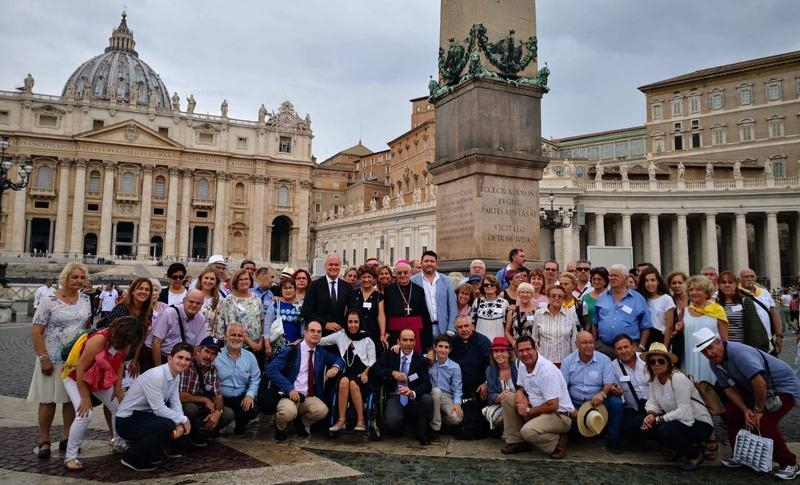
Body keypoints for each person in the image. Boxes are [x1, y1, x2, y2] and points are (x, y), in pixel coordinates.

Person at [694, 327, 800, 479]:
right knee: (732, 412)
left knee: (763, 423)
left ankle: (790, 464)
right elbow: (728, 390)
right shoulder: (714, 363)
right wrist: (744, 410)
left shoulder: (739, 354)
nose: (709, 354)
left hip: (783, 389)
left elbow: (760, 384)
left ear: (719, 342)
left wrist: (757, 411)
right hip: (756, 389)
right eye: (704, 352)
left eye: (710, 348)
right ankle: (740, 455)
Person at [61, 316, 143, 471]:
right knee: (84, 414)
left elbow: (119, 365)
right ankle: (70, 457)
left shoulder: (126, 342)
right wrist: (85, 397)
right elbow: (80, 369)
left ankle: (118, 443)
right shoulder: (99, 340)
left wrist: (118, 388)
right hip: (74, 377)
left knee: (119, 407)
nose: (128, 346)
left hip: (99, 377)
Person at [28, 263, 90, 459]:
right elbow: (37, 331)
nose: (78, 281)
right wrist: (43, 357)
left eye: (81, 277)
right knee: (47, 401)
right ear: (65, 278)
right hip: (51, 357)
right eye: (75, 277)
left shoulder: (86, 299)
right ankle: (44, 439)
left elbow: (86, 327)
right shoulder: (49, 300)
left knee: (70, 401)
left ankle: (66, 437)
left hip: (74, 360)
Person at [115, 343, 194, 472]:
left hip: (142, 415)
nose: (183, 362)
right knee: (166, 425)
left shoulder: (176, 375)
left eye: (187, 359)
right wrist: (183, 420)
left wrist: (181, 420)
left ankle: (146, 453)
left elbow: (175, 402)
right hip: (126, 421)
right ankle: (131, 456)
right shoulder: (157, 375)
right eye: (180, 357)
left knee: (172, 421)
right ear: (170, 358)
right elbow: (159, 409)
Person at [640, 341, 713, 471]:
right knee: (647, 426)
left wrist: (659, 419)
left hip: (698, 422)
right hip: (678, 420)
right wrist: (651, 415)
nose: (656, 364)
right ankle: (680, 448)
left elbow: (684, 412)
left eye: (661, 361)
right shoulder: (654, 380)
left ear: (669, 362)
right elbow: (653, 401)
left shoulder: (678, 378)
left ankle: (695, 454)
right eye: (652, 362)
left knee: (665, 431)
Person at [265, 321, 344, 441]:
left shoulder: (320, 352)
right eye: (312, 331)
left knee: (322, 411)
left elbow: (339, 360)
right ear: (305, 333)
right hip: (289, 395)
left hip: (307, 397)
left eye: (319, 332)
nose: (316, 334)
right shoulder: (292, 350)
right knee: (287, 413)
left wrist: (335, 367)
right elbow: (271, 370)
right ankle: (280, 427)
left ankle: (300, 423)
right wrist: (289, 388)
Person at [500, 336, 574, 458]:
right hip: (538, 410)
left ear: (536, 349)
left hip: (559, 415)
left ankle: (557, 442)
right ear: (516, 352)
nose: (525, 354)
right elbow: (521, 386)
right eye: (521, 351)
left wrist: (528, 411)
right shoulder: (523, 365)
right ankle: (516, 441)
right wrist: (519, 394)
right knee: (507, 398)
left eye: (528, 349)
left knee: (527, 432)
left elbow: (553, 405)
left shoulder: (547, 371)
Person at [560, 331, 624, 454]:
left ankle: (613, 438)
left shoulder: (604, 360)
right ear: (576, 344)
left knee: (616, 403)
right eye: (584, 343)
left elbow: (608, 383)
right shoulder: (568, 361)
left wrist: (603, 394)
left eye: (591, 342)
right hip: (575, 402)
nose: (589, 346)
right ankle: (565, 437)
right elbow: (562, 387)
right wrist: (570, 407)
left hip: (598, 401)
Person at [370, 328, 434, 445]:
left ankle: (420, 429)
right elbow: (375, 369)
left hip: (413, 397)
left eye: (411, 340)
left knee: (427, 399)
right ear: (398, 341)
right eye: (404, 340)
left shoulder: (421, 360)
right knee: (393, 422)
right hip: (395, 395)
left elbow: (427, 384)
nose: (408, 343)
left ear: (415, 342)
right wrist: (392, 373)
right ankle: (400, 427)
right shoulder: (391, 355)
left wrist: (412, 392)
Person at [322, 311, 377, 433]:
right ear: (346, 323)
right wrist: (303, 340)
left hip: (363, 375)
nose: (353, 325)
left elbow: (372, 361)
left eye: (356, 322)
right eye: (350, 322)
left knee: (353, 383)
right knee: (343, 381)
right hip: (346, 372)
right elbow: (321, 341)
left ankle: (360, 421)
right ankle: (341, 421)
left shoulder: (367, 339)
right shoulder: (340, 335)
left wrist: (366, 373)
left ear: (360, 322)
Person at [178, 336, 234, 445]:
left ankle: (202, 432)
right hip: (185, 407)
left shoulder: (213, 370)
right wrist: (204, 399)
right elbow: (181, 396)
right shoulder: (188, 366)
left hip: (204, 409)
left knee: (228, 413)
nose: (209, 356)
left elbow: (219, 397)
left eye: (213, 354)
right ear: (198, 351)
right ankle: (190, 434)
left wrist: (218, 412)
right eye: (207, 351)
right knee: (190, 408)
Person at [593, 264, 652, 358]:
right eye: (610, 275)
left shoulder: (638, 299)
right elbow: (595, 322)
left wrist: (641, 347)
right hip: (604, 348)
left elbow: (646, 326)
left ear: (626, 278)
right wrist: (595, 343)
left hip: (628, 349)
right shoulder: (601, 298)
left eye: (615, 275)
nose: (612, 278)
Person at [216, 269, 269, 367]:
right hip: (240, 346)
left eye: (246, 279)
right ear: (236, 281)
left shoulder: (256, 298)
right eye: (241, 279)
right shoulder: (229, 300)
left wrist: (261, 340)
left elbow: (262, 319)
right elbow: (231, 325)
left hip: (258, 346)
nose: (244, 282)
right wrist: (251, 343)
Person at [216, 323, 261, 437]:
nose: (236, 338)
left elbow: (255, 379)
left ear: (243, 338)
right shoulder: (217, 355)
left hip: (241, 397)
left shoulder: (250, 357)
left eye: (240, 336)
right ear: (226, 336)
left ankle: (241, 426)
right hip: (221, 397)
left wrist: (250, 395)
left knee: (252, 409)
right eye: (233, 335)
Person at [681, 275, 727, 383]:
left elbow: (725, 339)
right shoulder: (684, 312)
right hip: (690, 357)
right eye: (691, 290)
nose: (694, 292)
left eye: (698, 289)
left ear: (707, 293)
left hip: (711, 357)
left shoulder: (717, 310)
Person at [148, 289, 207, 367]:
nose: (194, 305)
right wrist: (159, 368)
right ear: (184, 301)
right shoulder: (169, 314)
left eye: (198, 303)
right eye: (191, 302)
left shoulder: (201, 319)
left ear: (202, 305)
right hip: (161, 356)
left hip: (183, 360)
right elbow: (156, 343)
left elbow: (197, 347)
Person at [611, 334, 651, 445]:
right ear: (615, 351)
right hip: (633, 408)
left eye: (626, 347)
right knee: (629, 430)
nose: (623, 351)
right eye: (619, 348)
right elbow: (614, 387)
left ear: (633, 346)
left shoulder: (646, 359)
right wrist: (615, 391)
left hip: (654, 406)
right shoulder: (613, 367)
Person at [383, 261, 432, 351]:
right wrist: (386, 331)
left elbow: (425, 314)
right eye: (399, 273)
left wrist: (427, 336)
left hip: (416, 330)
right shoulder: (388, 291)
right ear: (395, 274)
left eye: (405, 272)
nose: (402, 275)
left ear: (410, 273)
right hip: (395, 331)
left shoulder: (419, 290)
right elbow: (385, 313)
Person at [717, 271, 769, 351]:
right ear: (719, 285)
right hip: (722, 348)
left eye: (730, 282)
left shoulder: (745, 301)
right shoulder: (715, 303)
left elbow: (754, 325)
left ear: (736, 284)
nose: (727, 285)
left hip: (743, 347)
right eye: (723, 282)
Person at [411, 250, 458, 338]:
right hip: (421, 328)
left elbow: (452, 307)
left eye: (432, 261)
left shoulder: (446, 280)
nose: (429, 263)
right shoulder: (413, 281)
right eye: (426, 261)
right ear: (421, 263)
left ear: (436, 264)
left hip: (444, 329)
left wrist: (451, 329)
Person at [302, 253, 352, 335]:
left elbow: (350, 311)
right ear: (325, 266)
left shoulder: (347, 287)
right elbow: (306, 312)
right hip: (319, 335)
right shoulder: (315, 286)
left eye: (336, 265)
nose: (333, 267)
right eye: (330, 264)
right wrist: (325, 324)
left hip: (340, 335)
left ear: (340, 266)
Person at [739, 267, 783, 355]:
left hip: (768, 339)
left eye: (752, 276)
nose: (750, 279)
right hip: (747, 341)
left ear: (756, 278)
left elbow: (774, 314)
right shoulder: (736, 294)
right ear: (739, 279)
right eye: (746, 277)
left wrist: (779, 335)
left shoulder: (764, 292)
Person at [531, 285, 577, 367]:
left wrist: (574, 360)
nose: (556, 298)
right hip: (544, 362)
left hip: (565, 362)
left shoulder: (570, 314)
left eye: (560, 296)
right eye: (553, 296)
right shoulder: (539, 313)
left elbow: (573, 340)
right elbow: (534, 339)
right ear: (548, 297)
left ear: (563, 298)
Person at [428, 334, 464, 439]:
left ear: (450, 349)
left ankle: (437, 417)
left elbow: (457, 387)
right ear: (434, 347)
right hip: (430, 394)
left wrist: (457, 403)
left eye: (446, 347)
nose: (443, 350)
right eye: (440, 346)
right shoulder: (427, 360)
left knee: (456, 419)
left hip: (446, 396)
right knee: (436, 392)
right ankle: (435, 429)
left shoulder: (455, 367)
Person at [346, 264, 387, 354]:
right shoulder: (352, 294)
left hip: (372, 333)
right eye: (363, 277)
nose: (366, 280)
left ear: (374, 279)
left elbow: (381, 315)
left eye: (369, 277)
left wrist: (382, 333)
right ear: (359, 279)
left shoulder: (378, 296)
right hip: (354, 332)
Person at [483, 337, 518, 432]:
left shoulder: (517, 366)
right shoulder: (489, 370)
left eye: (502, 351)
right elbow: (491, 394)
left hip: (518, 401)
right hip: (501, 404)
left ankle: (511, 433)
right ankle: (510, 431)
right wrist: (498, 397)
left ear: (508, 353)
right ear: (492, 355)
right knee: (490, 413)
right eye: (496, 352)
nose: (499, 354)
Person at [636, 267, 676, 344]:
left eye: (653, 280)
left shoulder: (666, 299)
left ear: (658, 282)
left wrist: (665, 347)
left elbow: (669, 327)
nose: (650, 283)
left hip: (660, 337)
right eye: (646, 281)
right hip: (644, 338)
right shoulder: (641, 299)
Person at [265, 278, 304, 355]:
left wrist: (302, 340)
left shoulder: (301, 305)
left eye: (290, 287)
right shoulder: (274, 304)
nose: (288, 290)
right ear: (281, 290)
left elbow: (306, 325)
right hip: (276, 348)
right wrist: (267, 345)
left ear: (295, 289)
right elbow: (267, 325)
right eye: (285, 288)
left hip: (297, 345)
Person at [472, 275, 509, 341]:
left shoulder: (504, 303)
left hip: (498, 342)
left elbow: (507, 326)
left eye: (492, 284)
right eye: (486, 285)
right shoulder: (477, 301)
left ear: (496, 287)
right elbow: (472, 323)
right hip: (480, 342)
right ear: (482, 287)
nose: (489, 286)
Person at [665, 270, 689, 361]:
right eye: (674, 283)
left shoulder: (692, 301)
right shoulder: (669, 301)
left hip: (690, 338)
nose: (677, 285)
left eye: (680, 282)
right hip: (676, 342)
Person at [195, 267, 223, 337]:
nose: (208, 281)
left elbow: (220, 322)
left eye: (212, 279)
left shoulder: (220, 298)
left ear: (216, 282)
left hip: (212, 338)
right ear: (201, 279)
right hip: (194, 337)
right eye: (206, 278)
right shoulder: (194, 295)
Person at [581, 267, 608, 332]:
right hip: (589, 331)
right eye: (594, 279)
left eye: (599, 279)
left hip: (605, 331)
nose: (596, 281)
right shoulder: (585, 297)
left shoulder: (609, 297)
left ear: (605, 281)